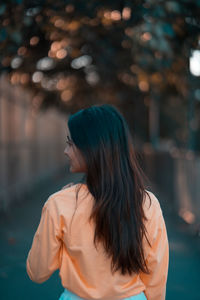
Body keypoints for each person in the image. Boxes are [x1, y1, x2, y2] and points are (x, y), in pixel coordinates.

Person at [26, 104, 169, 300]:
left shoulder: (59, 204)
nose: (66, 151)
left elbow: (38, 272)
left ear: (91, 148)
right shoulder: (148, 203)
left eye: (71, 143)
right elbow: (155, 276)